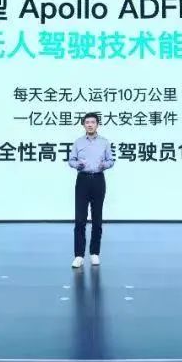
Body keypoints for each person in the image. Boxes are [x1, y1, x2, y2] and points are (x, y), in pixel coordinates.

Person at [67, 112, 114, 268]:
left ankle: (94, 253)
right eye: (87, 122)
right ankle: (79, 256)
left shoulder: (104, 142)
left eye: (92, 122)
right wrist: (77, 164)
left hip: (98, 179)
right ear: (84, 125)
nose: (90, 125)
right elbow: (71, 160)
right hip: (82, 179)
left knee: (97, 218)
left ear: (97, 124)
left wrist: (104, 165)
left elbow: (111, 160)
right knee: (80, 219)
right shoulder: (78, 142)